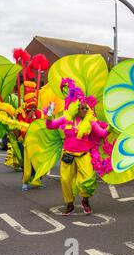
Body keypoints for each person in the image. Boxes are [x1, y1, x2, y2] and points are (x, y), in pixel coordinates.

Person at [46, 79, 109, 215]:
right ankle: (69, 204)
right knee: (65, 180)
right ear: (75, 107)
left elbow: (102, 133)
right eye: (82, 107)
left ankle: (85, 200)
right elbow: (50, 125)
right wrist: (49, 115)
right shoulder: (66, 118)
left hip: (84, 155)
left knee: (88, 179)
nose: (85, 109)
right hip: (68, 155)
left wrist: (111, 127)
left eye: (87, 108)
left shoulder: (91, 121)